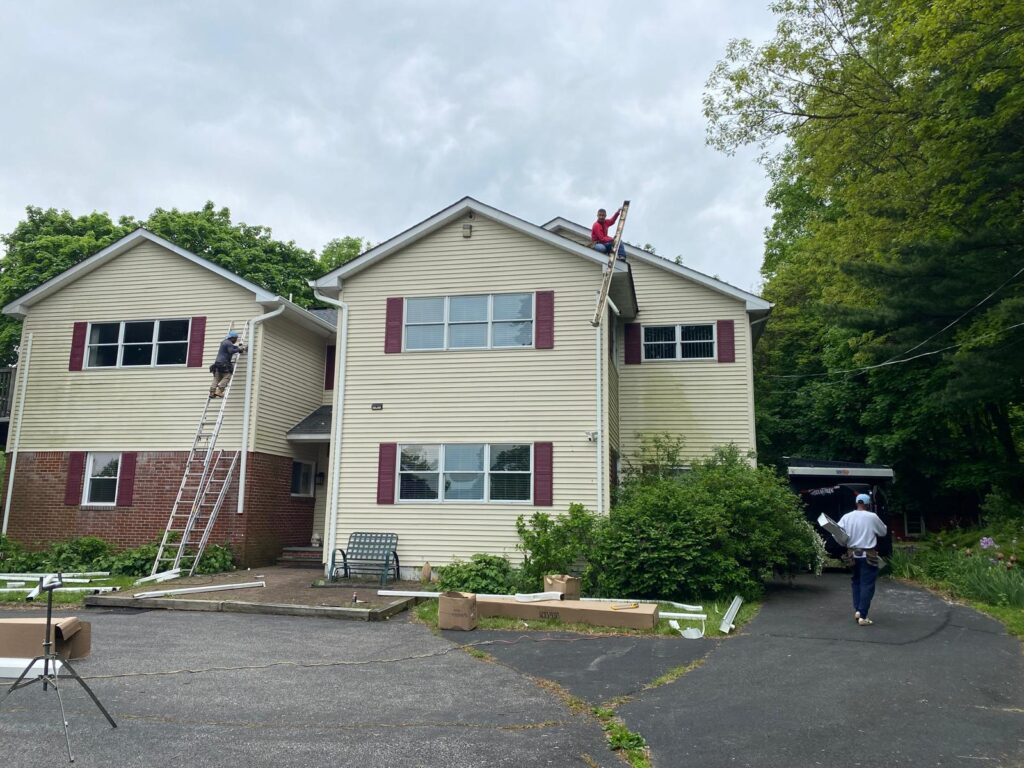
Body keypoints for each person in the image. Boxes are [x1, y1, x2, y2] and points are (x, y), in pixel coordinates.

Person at [838, 493, 888, 625]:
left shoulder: (846, 517)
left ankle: (858, 610)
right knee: (867, 584)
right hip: (868, 555)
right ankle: (863, 616)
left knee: (856, 582)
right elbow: (883, 532)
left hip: (852, 555)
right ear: (868, 504)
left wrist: (844, 542)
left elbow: (836, 532)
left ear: (856, 503)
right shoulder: (872, 517)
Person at [209, 331, 246, 398]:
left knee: (217, 378)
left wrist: (238, 348)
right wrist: (239, 348)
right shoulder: (229, 343)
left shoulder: (224, 342)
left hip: (217, 363)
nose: (236, 340)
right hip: (224, 363)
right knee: (227, 375)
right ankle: (219, 391)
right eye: (235, 338)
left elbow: (232, 348)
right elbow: (231, 351)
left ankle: (212, 392)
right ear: (232, 338)